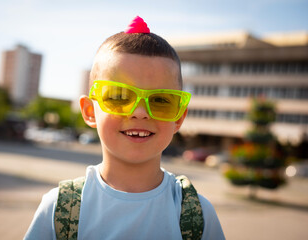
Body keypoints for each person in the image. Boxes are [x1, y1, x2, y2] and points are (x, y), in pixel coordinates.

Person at [24, 16, 225, 240]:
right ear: (90, 111)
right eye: (119, 96)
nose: (140, 112)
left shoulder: (197, 216)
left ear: (178, 117)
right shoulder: (61, 210)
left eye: (160, 100)